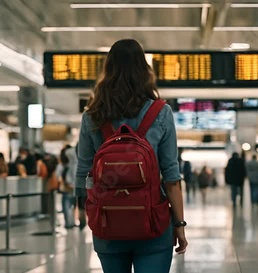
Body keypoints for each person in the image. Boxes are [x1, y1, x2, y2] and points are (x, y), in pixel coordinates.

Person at [75, 39, 187, 273]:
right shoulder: (161, 113)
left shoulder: (92, 116)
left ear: (108, 70)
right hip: (153, 224)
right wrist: (179, 224)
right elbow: (172, 177)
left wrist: (91, 214)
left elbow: (82, 174)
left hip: (109, 225)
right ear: (144, 71)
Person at [58, 145, 76, 229]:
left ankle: (69, 223)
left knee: (67, 205)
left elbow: (59, 175)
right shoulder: (76, 163)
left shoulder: (64, 165)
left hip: (67, 187)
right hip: (75, 187)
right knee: (73, 206)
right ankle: (73, 221)